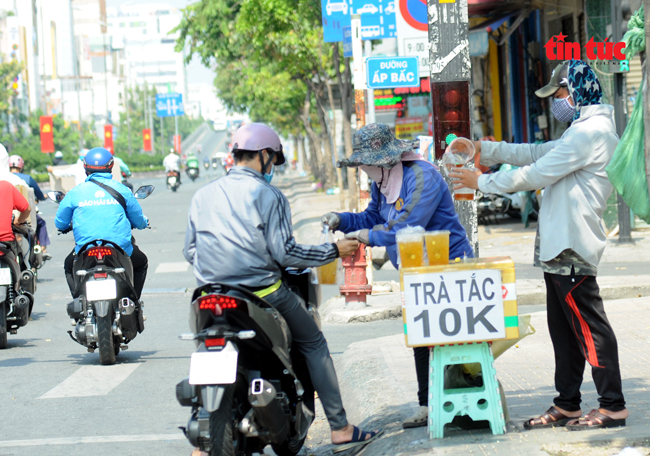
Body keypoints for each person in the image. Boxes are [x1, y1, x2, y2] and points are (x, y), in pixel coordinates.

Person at [451, 60, 628, 430]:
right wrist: (487, 148)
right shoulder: (578, 131)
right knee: (563, 333)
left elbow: (535, 173)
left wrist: (480, 182)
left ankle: (612, 405)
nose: (556, 102)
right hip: (558, 249)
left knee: (590, 329)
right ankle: (567, 404)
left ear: (577, 91)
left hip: (573, 246)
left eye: (560, 93)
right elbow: (534, 153)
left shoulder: (591, 134)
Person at [183, 123, 382, 451]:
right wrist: (333, 251)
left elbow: (190, 251)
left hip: (208, 294)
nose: (272, 167)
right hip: (261, 293)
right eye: (273, 160)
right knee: (314, 343)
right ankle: (341, 429)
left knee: (205, 343)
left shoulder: (202, 194)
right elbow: (284, 253)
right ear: (263, 155)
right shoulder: (268, 194)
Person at [322, 122, 474, 429]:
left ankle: (465, 404)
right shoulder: (383, 182)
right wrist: (343, 220)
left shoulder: (422, 177)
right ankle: (427, 404)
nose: (363, 169)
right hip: (416, 266)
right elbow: (374, 216)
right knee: (421, 336)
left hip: (449, 262)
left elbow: (406, 224)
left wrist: (365, 235)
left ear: (385, 160)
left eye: (367, 163)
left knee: (453, 338)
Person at [55, 148, 150, 299]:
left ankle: (78, 302)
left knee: (69, 266)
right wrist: (144, 223)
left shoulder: (76, 192)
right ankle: (133, 302)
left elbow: (60, 222)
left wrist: (63, 227)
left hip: (86, 249)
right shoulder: (122, 189)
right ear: (111, 166)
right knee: (141, 262)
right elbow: (138, 219)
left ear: (85, 167)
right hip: (119, 248)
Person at [8, 155, 51, 259]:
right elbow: (38, 194)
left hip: (8, 215)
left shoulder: (5, 178)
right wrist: (43, 197)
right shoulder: (26, 178)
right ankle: (43, 248)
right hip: (24, 214)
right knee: (41, 223)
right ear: (21, 166)